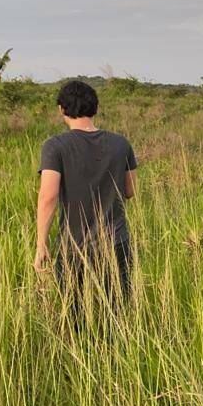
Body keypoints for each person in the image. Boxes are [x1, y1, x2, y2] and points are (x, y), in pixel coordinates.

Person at [35, 80, 138, 317]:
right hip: (116, 241)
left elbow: (48, 197)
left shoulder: (55, 146)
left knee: (74, 311)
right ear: (96, 108)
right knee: (116, 311)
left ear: (61, 109)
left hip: (74, 244)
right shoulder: (121, 143)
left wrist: (42, 243)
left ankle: (80, 351)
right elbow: (130, 191)